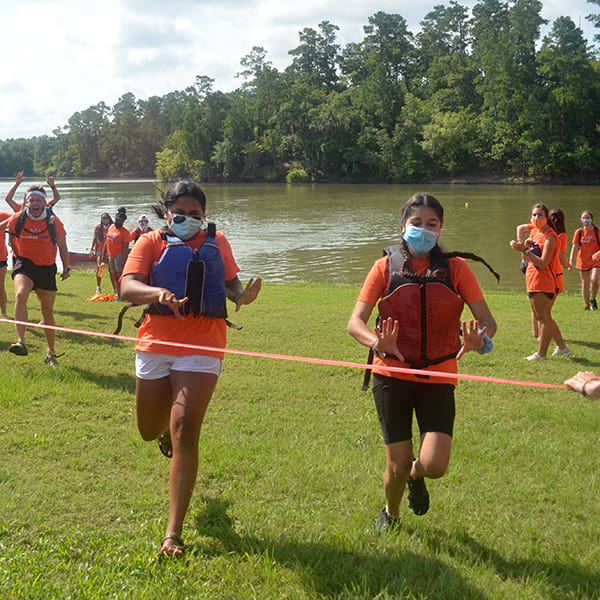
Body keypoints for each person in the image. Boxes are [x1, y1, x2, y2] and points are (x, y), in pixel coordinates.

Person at [120, 179, 262, 557]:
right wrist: (158, 294)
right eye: (179, 213)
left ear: (205, 215)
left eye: (195, 214)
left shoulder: (218, 241)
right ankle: (163, 433)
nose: (187, 219)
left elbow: (230, 285)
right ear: (167, 213)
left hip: (204, 342)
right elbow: (127, 286)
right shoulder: (150, 241)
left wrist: (241, 296)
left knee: (185, 427)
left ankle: (173, 534)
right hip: (156, 342)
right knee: (150, 430)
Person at [347, 192, 497, 531]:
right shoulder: (384, 267)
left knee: (434, 464)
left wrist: (479, 340)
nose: (423, 230)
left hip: (439, 376)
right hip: (391, 375)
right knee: (396, 465)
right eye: (416, 223)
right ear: (403, 226)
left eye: (432, 224)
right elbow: (355, 322)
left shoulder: (456, 269)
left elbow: (487, 319)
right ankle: (391, 513)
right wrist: (376, 342)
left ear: (441, 228)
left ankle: (418, 475)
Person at [5, 183, 70, 365]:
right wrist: (18, 256)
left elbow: (63, 247)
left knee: (47, 310)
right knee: (20, 294)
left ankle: (51, 353)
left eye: (38, 200)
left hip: (46, 267)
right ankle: (21, 341)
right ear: (26, 202)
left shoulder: (53, 221)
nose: (35, 203)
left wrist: (66, 268)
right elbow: (11, 240)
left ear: (44, 202)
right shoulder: (17, 219)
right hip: (24, 263)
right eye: (31, 200)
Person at [510, 203, 567, 360]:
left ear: (546, 217)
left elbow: (543, 263)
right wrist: (525, 247)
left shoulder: (550, 236)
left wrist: (524, 250)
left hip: (544, 280)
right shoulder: (534, 232)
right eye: (534, 215)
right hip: (532, 278)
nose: (536, 218)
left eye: (540, 215)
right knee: (541, 316)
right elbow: (526, 257)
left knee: (544, 318)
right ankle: (563, 348)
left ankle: (541, 354)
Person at [569, 210, 600, 311]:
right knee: (585, 283)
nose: (585, 220)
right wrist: (571, 261)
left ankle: (593, 299)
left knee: (594, 280)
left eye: (587, 218)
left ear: (591, 219)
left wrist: (598, 253)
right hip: (582, 259)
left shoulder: (597, 231)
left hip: (596, 260)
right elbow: (575, 247)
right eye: (583, 218)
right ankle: (586, 305)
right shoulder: (579, 232)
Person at [105, 207, 130, 300]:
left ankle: (123, 294)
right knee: (114, 275)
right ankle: (118, 294)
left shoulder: (125, 232)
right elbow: (107, 241)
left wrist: (124, 261)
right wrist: (104, 253)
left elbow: (125, 249)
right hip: (110, 254)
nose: (116, 222)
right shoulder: (111, 227)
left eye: (119, 220)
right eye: (116, 220)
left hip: (119, 255)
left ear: (123, 221)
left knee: (120, 276)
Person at [90, 213, 112, 295]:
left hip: (109, 251)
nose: (105, 219)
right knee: (100, 268)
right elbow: (95, 238)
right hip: (99, 251)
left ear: (109, 219)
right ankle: (98, 287)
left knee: (112, 270)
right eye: (103, 218)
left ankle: (115, 288)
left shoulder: (112, 227)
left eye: (107, 218)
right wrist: (92, 249)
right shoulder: (98, 228)